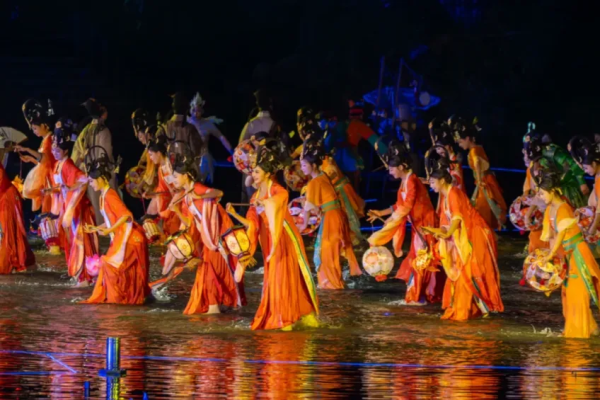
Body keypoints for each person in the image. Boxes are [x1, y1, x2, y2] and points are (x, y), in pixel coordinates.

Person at [226, 145, 319, 331]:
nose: (254, 174)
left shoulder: (277, 190)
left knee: (284, 275)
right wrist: (234, 214)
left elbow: (279, 202)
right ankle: (285, 314)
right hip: (268, 240)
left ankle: (289, 316)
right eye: (254, 171)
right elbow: (252, 223)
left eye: (257, 171)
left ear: (267, 174)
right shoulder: (254, 196)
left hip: (283, 238)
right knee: (274, 277)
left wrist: (266, 202)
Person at [367, 141, 445, 304]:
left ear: (401, 167)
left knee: (422, 259)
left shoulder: (411, 180)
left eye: (392, 168)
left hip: (425, 224)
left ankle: (417, 296)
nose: (390, 171)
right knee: (418, 259)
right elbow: (399, 205)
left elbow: (407, 205)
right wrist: (381, 213)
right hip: (418, 225)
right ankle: (419, 295)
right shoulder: (406, 181)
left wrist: (391, 221)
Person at [168, 155, 246, 314]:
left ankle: (215, 307)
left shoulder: (197, 188)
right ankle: (216, 305)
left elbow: (219, 193)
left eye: (175, 176)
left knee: (212, 271)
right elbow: (190, 223)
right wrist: (177, 211)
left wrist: (200, 196)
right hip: (207, 240)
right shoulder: (186, 197)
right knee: (210, 271)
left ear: (186, 176)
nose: (173, 180)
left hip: (217, 238)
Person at [424, 166, 504, 321]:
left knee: (470, 271)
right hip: (464, 236)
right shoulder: (446, 197)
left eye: (433, 182)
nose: (431, 185)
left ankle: (478, 308)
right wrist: (433, 230)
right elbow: (446, 223)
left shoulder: (454, 193)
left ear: (442, 180)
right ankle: (476, 309)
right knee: (463, 272)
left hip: (474, 235)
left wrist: (447, 233)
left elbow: (457, 218)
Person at [536, 170, 600, 338]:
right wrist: (551, 261)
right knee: (567, 294)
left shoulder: (563, 208)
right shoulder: (549, 210)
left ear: (553, 191)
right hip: (566, 255)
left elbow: (561, 236)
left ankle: (579, 334)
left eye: (542, 193)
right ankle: (591, 328)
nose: (539, 197)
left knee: (576, 293)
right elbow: (550, 237)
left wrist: (550, 256)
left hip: (577, 254)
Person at [82, 149, 150, 305]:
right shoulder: (103, 196)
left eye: (92, 181)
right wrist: (95, 228)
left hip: (130, 238)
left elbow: (126, 216)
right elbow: (111, 220)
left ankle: (120, 300)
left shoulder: (110, 195)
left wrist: (109, 230)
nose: (90, 184)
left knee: (111, 265)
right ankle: (122, 299)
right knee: (111, 267)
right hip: (122, 236)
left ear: (100, 179)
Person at [299, 139, 361, 289]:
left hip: (332, 218)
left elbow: (308, 208)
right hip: (335, 215)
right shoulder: (323, 176)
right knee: (330, 250)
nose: (302, 169)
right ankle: (334, 281)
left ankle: (332, 284)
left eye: (304, 165)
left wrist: (302, 226)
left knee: (327, 252)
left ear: (313, 165)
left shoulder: (313, 182)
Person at [51, 118, 99, 286]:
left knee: (81, 242)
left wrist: (71, 208)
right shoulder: (59, 164)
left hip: (78, 209)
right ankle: (79, 273)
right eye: (53, 148)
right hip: (69, 205)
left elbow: (83, 180)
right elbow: (64, 186)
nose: (54, 152)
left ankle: (84, 275)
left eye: (57, 149)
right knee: (72, 241)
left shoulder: (68, 165)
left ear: (65, 150)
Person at [452, 117, 507, 231]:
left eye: (461, 142)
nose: (460, 145)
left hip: (483, 183)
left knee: (480, 212)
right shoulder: (477, 148)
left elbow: (477, 161)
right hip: (483, 182)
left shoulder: (474, 151)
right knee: (483, 212)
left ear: (468, 138)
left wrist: (479, 178)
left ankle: (486, 237)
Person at [71, 98, 117, 225]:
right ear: (103, 113)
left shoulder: (85, 131)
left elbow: (77, 153)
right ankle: (110, 230)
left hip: (91, 174)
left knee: (97, 206)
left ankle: (100, 231)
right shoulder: (104, 131)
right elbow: (106, 154)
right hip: (104, 174)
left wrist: (83, 167)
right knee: (110, 204)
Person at [324, 102, 387, 192]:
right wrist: (388, 155)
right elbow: (376, 141)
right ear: (361, 115)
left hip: (333, 165)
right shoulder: (359, 125)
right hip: (350, 164)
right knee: (352, 193)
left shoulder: (335, 125)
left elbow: (326, 145)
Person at [525, 129, 588, 208]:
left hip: (570, 189)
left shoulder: (552, 152)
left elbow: (573, 164)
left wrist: (582, 182)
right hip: (554, 193)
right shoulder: (535, 163)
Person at [17, 99, 58, 214]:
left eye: (35, 128)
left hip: (52, 179)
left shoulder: (49, 140)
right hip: (47, 178)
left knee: (50, 209)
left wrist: (27, 150)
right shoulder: (44, 140)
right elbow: (44, 163)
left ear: (44, 125)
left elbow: (45, 159)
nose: (34, 131)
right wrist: (31, 159)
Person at [187, 93, 233, 183]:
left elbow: (221, 138)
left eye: (198, 111)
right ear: (190, 110)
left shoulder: (207, 124)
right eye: (194, 111)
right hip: (189, 159)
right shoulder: (186, 122)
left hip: (204, 161)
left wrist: (233, 152)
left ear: (202, 111)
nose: (196, 113)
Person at [155, 92, 203, 174]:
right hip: (187, 173)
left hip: (170, 172)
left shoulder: (165, 127)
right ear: (186, 108)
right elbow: (197, 151)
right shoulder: (190, 129)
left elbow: (157, 144)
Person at [0, 163, 35, 274]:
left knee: (10, 230)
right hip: (4, 197)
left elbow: (2, 183)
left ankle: (13, 262)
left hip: (7, 198)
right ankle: (21, 261)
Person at [145, 137, 181, 237]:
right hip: (172, 200)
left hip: (180, 200)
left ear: (158, 153)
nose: (150, 158)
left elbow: (178, 190)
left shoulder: (170, 165)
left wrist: (170, 206)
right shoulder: (161, 168)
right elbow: (168, 191)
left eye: (151, 155)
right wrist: (152, 195)